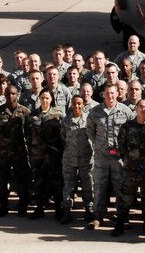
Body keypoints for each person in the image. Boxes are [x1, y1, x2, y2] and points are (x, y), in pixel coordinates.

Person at [85, 83, 134, 229]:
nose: (110, 96)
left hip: (119, 157)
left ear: (118, 94)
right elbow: (90, 131)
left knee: (121, 187)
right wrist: (99, 145)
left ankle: (122, 216)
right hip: (101, 157)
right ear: (103, 95)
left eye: (113, 93)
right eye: (107, 93)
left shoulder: (125, 111)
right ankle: (98, 217)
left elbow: (131, 131)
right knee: (99, 187)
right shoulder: (95, 112)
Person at [113, 99, 145, 237]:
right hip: (130, 170)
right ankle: (120, 224)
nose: (143, 110)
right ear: (136, 108)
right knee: (125, 198)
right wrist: (127, 160)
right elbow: (120, 147)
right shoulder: (127, 127)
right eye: (141, 107)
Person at [0, 84, 32, 217]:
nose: (10, 96)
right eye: (8, 94)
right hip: (3, 153)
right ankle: (3, 205)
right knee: (2, 181)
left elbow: (29, 133)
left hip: (20, 153)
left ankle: (22, 205)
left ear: (18, 94)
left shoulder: (25, 112)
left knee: (22, 181)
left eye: (13, 94)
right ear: (4, 95)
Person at [28, 90, 65, 219]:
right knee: (39, 182)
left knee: (56, 182)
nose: (44, 100)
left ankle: (58, 209)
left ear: (51, 99)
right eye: (42, 98)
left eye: (47, 98)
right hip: (38, 154)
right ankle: (39, 208)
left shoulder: (58, 114)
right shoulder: (33, 115)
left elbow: (63, 135)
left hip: (54, 154)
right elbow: (28, 135)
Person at [60, 95, 94, 225]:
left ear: (83, 105)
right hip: (69, 158)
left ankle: (89, 209)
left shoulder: (89, 120)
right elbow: (63, 137)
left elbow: (93, 136)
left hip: (86, 158)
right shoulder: (66, 121)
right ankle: (67, 210)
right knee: (68, 185)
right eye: (74, 104)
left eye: (79, 104)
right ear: (71, 105)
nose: (77, 106)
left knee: (88, 185)